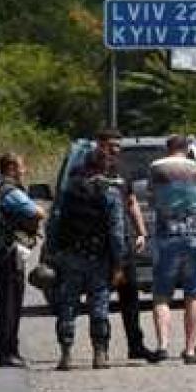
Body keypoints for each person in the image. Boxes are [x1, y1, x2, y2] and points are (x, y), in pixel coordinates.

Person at [46, 149, 126, 370]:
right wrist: (119, 262)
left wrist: (51, 253)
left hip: (70, 255)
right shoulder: (110, 193)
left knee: (68, 305)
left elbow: (54, 222)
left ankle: (66, 354)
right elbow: (116, 232)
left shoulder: (68, 191)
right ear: (104, 167)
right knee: (99, 305)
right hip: (98, 257)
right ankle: (99, 353)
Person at [148, 135, 196, 364]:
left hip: (166, 236)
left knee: (161, 295)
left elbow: (151, 199)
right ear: (187, 149)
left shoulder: (157, 168)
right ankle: (189, 350)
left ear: (167, 148)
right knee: (195, 294)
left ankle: (162, 346)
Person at [0, 152, 45, 368]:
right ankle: (6, 353)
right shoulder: (9, 191)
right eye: (22, 167)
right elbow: (37, 212)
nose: (24, 171)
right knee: (11, 304)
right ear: (13, 168)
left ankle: (7, 350)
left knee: (6, 302)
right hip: (8, 254)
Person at [95, 128, 156, 362]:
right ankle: (101, 348)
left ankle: (136, 345)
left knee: (130, 296)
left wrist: (141, 231)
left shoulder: (122, 171)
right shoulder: (86, 169)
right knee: (98, 297)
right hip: (97, 244)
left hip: (124, 241)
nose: (116, 150)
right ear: (99, 144)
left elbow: (131, 202)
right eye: (111, 145)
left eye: (118, 146)